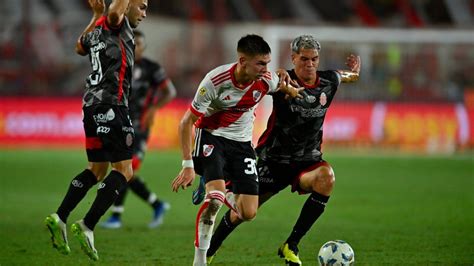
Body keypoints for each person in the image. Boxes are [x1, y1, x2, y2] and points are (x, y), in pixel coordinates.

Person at [201, 35, 361, 265]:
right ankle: (209, 251)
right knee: (242, 213)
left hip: (308, 160)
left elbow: (348, 76)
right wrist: (276, 72)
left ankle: (291, 245)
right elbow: (259, 80)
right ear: (293, 58)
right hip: (273, 160)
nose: (310, 64)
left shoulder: (329, 81)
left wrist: (355, 71)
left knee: (327, 178)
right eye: (304, 59)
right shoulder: (281, 81)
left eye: (314, 59)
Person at [171, 34, 302, 266]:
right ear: (242, 61)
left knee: (248, 212)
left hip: (242, 145)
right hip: (212, 137)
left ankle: (217, 187)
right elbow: (186, 122)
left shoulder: (266, 80)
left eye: (268, 63)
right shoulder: (215, 81)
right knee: (215, 201)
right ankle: (200, 260)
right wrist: (188, 165)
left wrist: (290, 89)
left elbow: (281, 85)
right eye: (260, 63)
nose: (266, 69)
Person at [44, 0, 147, 261]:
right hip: (112, 105)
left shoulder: (99, 27)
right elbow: (115, 12)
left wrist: (96, 14)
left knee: (97, 169)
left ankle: (60, 216)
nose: (144, 14)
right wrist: (112, 10)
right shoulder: (117, 21)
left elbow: (80, 47)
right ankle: (88, 225)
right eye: (142, 6)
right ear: (127, 6)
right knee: (124, 170)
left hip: (90, 106)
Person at [100, 29, 175, 229]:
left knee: (126, 168)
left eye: (139, 45)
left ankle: (116, 216)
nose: (135, 48)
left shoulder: (152, 68)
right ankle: (157, 205)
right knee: (122, 169)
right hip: (120, 123)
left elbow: (170, 92)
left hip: (140, 125)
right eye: (132, 44)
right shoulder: (119, 65)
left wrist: (153, 108)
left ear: (144, 47)